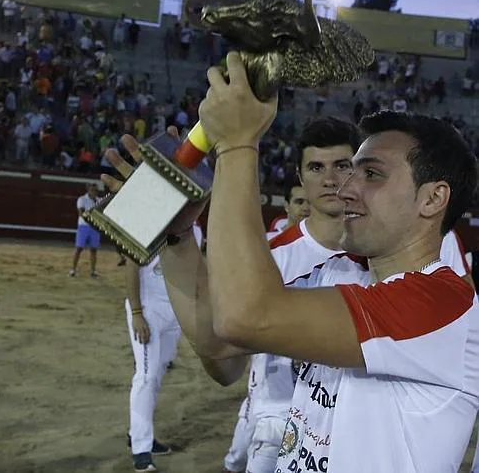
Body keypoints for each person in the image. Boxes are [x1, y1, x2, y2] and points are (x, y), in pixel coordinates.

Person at [194, 53, 479, 472]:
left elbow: (245, 316)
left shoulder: (442, 303)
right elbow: (221, 344)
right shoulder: (340, 271)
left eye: (372, 174)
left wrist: (237, 144)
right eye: (353, 172)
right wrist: (176, 236)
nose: (345, 189)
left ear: (433, 199)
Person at [223, 117, 359, 473]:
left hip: (356, 427)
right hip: (279, 423)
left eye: (342, 166)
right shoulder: (269, 257)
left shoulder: (384, 255)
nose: (329, 179)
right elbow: (224, 355)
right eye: (316, 168)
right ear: (300, 177)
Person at [125, 222, 203, 473]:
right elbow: (131, 266)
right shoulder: (150, 221)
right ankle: (141, 449)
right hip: (147, 309)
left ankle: (138, 432)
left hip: (173, 311)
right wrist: (137, 312)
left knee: (157, 373)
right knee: (146, 376)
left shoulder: (195, 229)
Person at [69, 183, 100, 277]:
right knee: (79, 248)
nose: (94, 192)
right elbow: (81, 213)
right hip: (84, 226)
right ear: (88, 190)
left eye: (95, 190)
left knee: (94, 250)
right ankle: (73, 270)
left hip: (95, 227)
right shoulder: (82, 199)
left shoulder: (99, 200)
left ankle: (93, 271)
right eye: (92, 190)